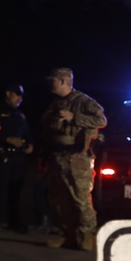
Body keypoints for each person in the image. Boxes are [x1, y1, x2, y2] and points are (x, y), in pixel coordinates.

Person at [40, 67, 107, 250]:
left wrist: (74, 117)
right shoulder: (55, 104)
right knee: (58, 198)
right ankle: (67, 234)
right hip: (58, 156)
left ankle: (87, 235)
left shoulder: (83, 102)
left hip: (77, 157)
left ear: (62, 81)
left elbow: (101, 120)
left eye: (53, 80)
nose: (50, 84)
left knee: (80, 198)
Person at [0, 83, 34, 233]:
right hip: (2, 156)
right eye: (17, 94)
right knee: (0, 190)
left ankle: (15, 222)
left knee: (16, 191)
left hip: (17, 157)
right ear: (8, 93)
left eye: (21, 96)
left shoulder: (19, 114)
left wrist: (30, 144)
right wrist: (6, 138)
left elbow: (26, 133)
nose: (20, 98)